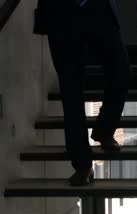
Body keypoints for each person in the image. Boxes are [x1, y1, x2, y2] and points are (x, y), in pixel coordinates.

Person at [34, 0, 130, 186]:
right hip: (60, 14)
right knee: (71, 90)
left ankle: (104, 130)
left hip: (97, 9)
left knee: (121, 73)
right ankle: (82, 164)